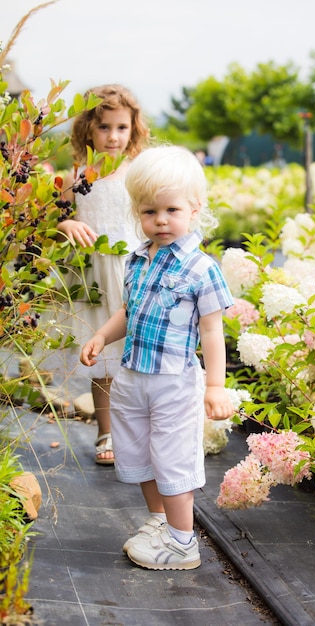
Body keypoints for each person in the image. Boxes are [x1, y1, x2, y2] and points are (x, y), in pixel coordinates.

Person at [80, 144, 235, 570]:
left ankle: (183, 543)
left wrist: (215, 386)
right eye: (149, 212)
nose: (160, 220)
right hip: (133, 377)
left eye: (171, 210)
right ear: (137, 212)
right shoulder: (136, 261)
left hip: (172, 382)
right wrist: (102, 336)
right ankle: (160, 522)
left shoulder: (201, 269)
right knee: (139, 453)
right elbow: (128, 313)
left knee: (171, 458)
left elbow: (212, 330)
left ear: (194, 208)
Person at [53, 84, 149, 464]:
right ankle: (106, 432)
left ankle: (143, 431)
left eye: (122, 128)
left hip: (134, 271)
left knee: (141, 354)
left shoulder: (139, 172)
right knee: (105, 359)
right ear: (89, 130)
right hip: (95, 277)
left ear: (133, 130)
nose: (113, 137)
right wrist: (68, 225)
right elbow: (58, 216)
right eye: (105, 127)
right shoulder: (78, 175)